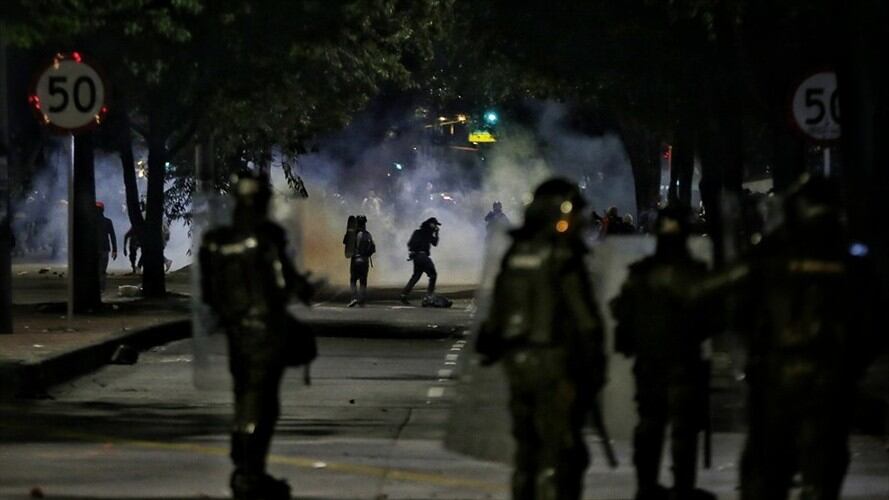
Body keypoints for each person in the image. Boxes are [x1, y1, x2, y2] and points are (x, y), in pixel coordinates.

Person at [694, 174, 875, 500]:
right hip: (833, 379)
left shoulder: (774, 250)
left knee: (766, 473)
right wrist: (852, 365)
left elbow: (715, 291)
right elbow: (875, 321)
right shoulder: (853, 258)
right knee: (823, 474)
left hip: (776, 377)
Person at [476, 178, 606, 500]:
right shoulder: (563, 258)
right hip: (554, 365)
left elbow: (495, 318)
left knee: (526, 453)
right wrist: (594, 372)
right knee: (559, 454)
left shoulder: (516, 254)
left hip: (518, 366)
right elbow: (586, 323)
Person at [199, 171, 315, 500]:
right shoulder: (267, 236)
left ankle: (246, 468)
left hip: (236, 331)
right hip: (267, 331)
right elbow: (283, 283)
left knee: (243, 396)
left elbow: (209, 294)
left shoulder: (215, 241)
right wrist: (303, 288)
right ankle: (251, 474)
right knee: (263, 404)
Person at [610, 206, 715, 500]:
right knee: (684, 430)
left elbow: (621, 312)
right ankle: (682, 488)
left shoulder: (641, 273)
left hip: (649, 363)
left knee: (649, 426)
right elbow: (712, 319)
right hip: (684, 363)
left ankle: (646, 485)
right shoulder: (695, 273)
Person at [400, 217, 441, 304]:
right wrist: (436, 233)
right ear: (431, 224)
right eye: (435, 225)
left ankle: (404, 294)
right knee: (433, 275)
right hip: (423, 256)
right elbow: (435, 243)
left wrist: (413, 252)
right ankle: (429, 296)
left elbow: (410, 244)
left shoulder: (418, 232)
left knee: (416, 276)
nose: (435, 227)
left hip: (416, 257)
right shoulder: (428, 233)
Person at [344, 215, 375, 307]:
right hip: (365, 261)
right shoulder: (368, 234)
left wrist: (349, 232)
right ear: (365, 223)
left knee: (353, 280)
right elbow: (373, 249)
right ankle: (362, 300)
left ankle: (353, 298)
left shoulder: (354, 234)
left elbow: (346, 243)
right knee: (363, 281)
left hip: (355, 260)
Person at [96, 201, 117, 292]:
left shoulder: (90, 221)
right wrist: (114, 250)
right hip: (104, 248)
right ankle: (101, 288)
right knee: (102, 270)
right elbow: (112, 236)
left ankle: (98, 288)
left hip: (94, 249)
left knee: (96, 270)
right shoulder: (107, 221)